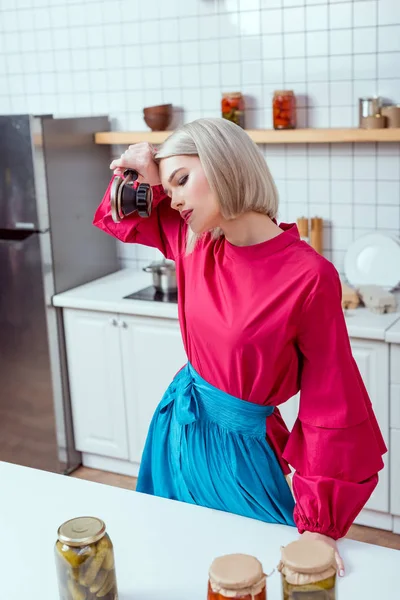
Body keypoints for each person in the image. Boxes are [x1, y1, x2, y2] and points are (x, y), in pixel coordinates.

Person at [94, 117, 386, 576]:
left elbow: (331, 397)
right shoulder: (194, 240)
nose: (174, 198)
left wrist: (321, 527)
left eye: (183, 180)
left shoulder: (309, 277)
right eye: (168, 189)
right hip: (177, 430)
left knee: (254, 571)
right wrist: (136, 169)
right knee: (172, 561)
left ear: (224, 163)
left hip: (239, 454)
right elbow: (122, 211)